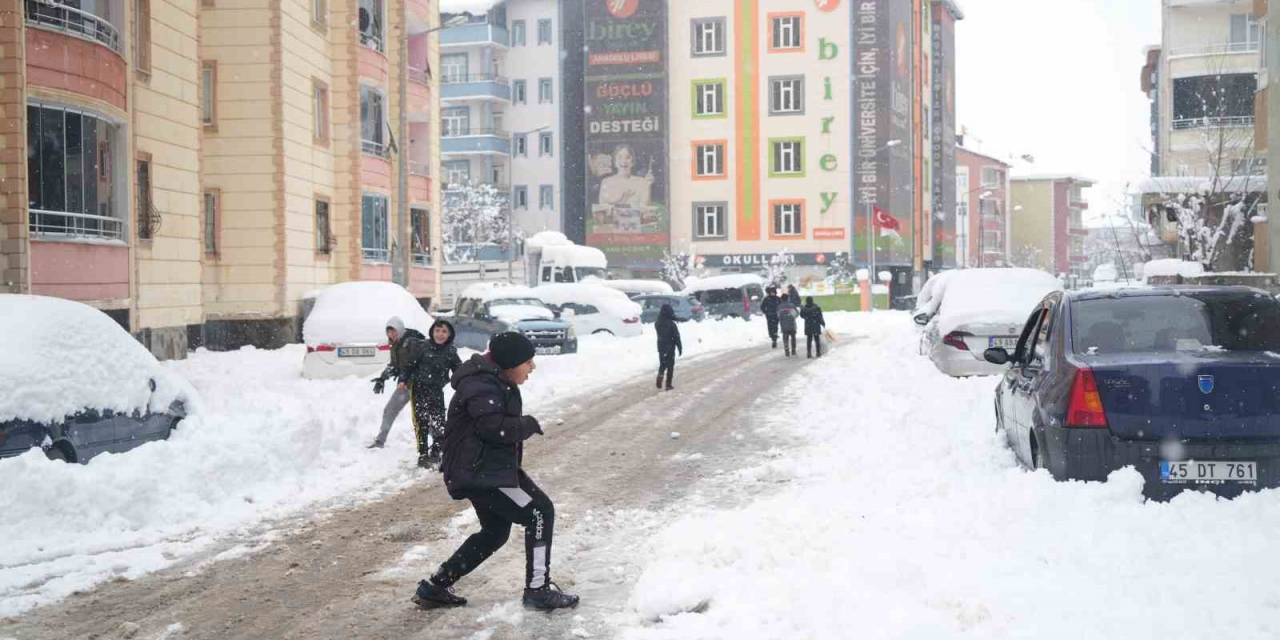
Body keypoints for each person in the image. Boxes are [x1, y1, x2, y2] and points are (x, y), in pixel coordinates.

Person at [413, 332, 579, 612]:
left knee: (495, 532)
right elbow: (494, 428)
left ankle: (437, 585)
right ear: (510, 363)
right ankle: (538, 589)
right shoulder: (482, 384)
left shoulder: (489, 379)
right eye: (528, 362)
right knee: (540, 512)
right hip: (483, 473)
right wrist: (527, 425)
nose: (532, 367)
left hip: (484, 470)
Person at [400, 319, 463, 468]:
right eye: (437, 331)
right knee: (421, 421)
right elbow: (409, 366)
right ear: (432, 332)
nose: (440, 334)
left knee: (439, 422)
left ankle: (436, 450)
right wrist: (402, 380)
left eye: (444, 331)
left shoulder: (451, 352)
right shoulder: (422, 347)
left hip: (436, 391)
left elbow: (459, 371)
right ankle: (423, 454)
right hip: (419, 389)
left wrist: (464, 383)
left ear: (449, 335)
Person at [368, 317, 421, 451]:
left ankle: (442, 442)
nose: (391, 335)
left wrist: (404, 378)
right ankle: (380, 441)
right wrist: (382, 378)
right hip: (404, 385)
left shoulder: (411, 342)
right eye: (389, 332)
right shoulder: (395, 344)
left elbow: (413, 364)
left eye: (394, 331)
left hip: (419, 383)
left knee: (422, 415)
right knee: (389, 410)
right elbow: (394, 366)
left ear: (400, 329)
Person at [597, 145, 653, 209]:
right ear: (615, 162)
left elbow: (645, 208)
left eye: (628, 157)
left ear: (632, 162)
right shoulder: (606, 182)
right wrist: (622, 198)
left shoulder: (642, 182)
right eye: (620, 157)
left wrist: (648, 186)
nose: (624, 161)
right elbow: (602, 208)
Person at [655, 303, 683, 391]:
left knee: (663, 363)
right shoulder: (671, 324)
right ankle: (668, 384)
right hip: (670, 347)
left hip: (661, 347)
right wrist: (679, 347)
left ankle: (660, 375)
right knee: (670, 366)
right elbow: (676, 337)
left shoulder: (657, 323)